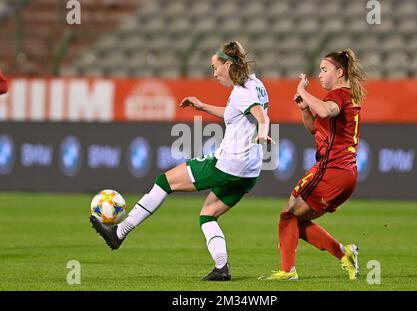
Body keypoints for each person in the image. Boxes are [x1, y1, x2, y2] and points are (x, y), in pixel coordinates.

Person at [90, 41, 272, 281]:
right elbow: (238, 113)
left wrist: (262, 129)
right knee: (207, 215)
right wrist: (202, 105)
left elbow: (259, 114)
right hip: (249, 171)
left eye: (215, 67)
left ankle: (119, 233)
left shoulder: (243, 92)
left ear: (228, 65)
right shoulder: (255, 85)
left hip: (228, 163)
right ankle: (222, 268)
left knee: (164, 182)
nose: (214, 73)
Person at [260, 48, 367, 281]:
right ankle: (344, 254)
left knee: (288, 214)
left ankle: (288, 271)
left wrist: (303, 91)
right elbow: (314, 128)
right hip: (345, 174)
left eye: (324, 69)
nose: (320, 74)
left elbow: (327, 111)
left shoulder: (338, 96)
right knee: (294, 219)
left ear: (339, 72)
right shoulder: (346, 97)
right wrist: (304, 109)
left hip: (332, 170)